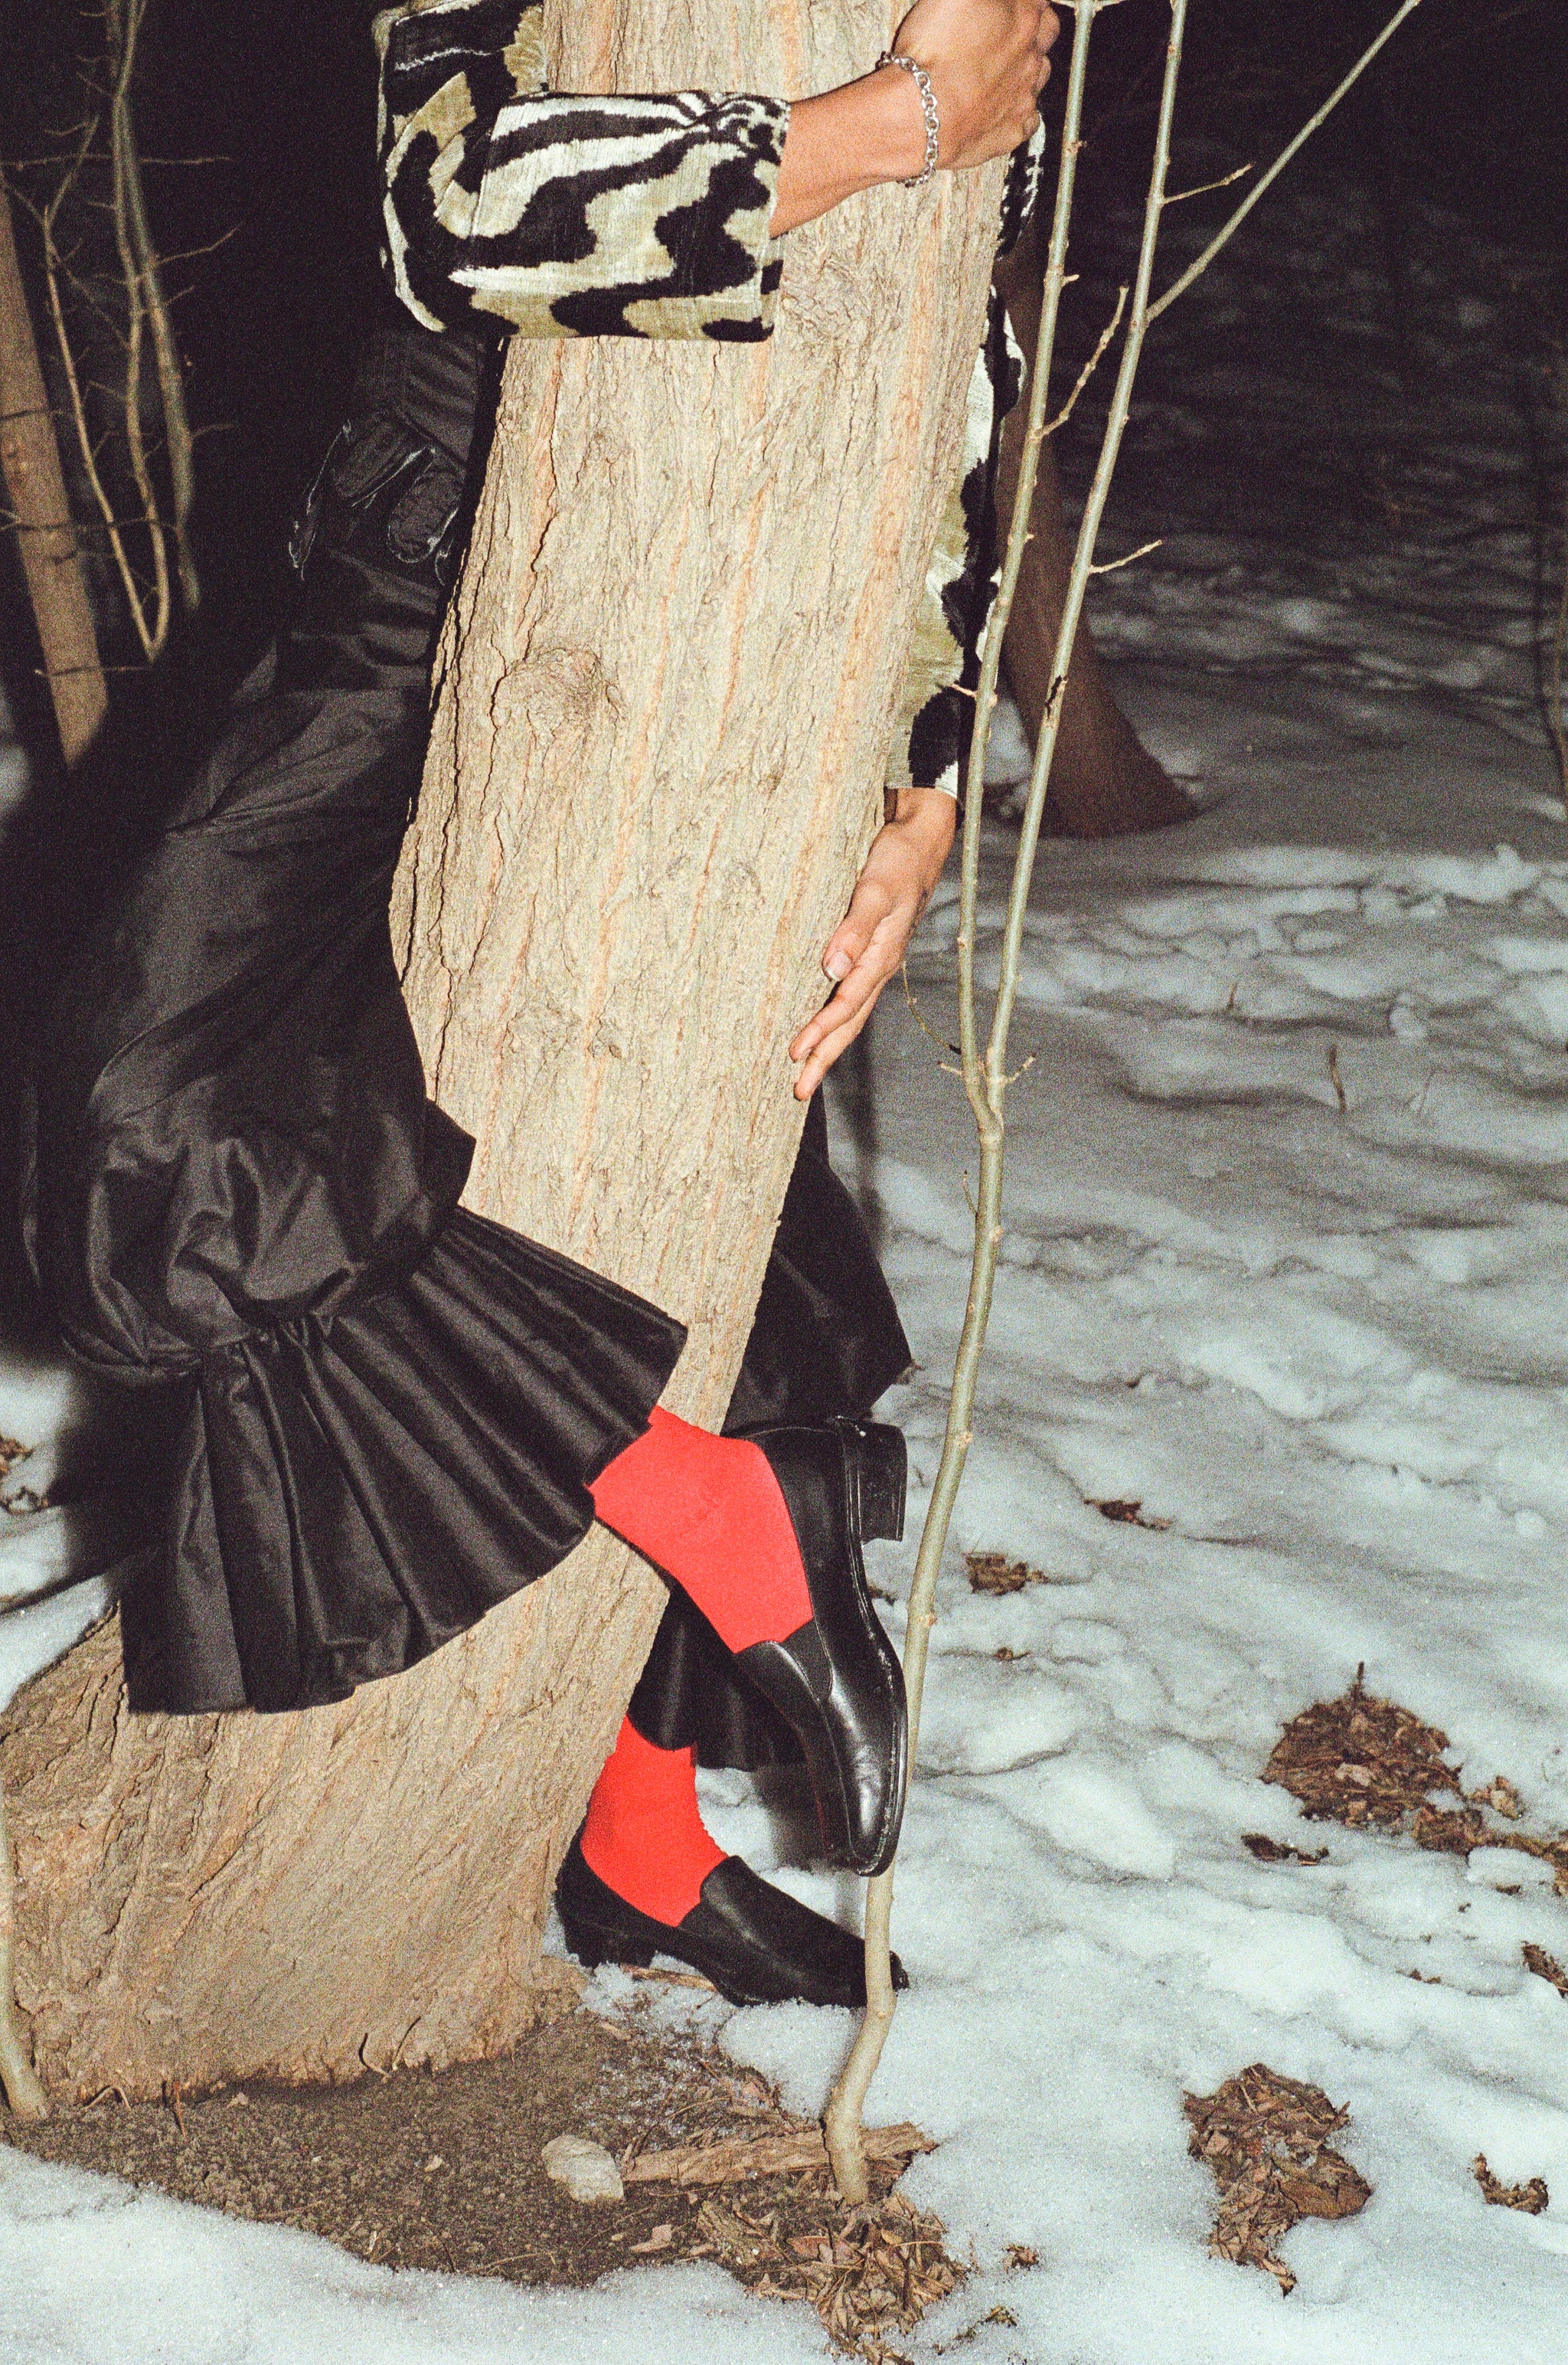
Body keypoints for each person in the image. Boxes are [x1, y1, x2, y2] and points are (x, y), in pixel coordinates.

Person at [24, 0, 1057, 2011]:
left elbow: (952, 364)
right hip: (416, 601)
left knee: (709, 1187)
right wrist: (884, 124)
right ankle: (721, 1514)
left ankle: (643, 1835)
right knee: (154, 1133)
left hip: (729, 668)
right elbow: (461, 209)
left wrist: (921, 780)